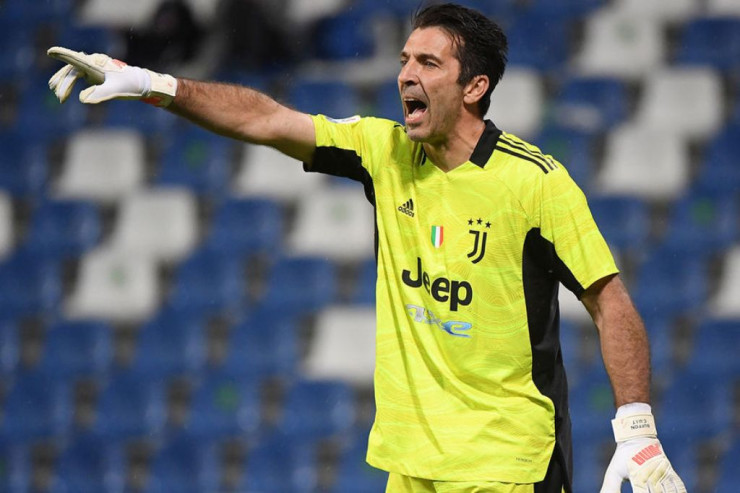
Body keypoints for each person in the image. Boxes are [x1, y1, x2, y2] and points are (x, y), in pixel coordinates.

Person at [46, 3, 687, 492]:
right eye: (405, 60)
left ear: (474, 87)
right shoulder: (384, 152)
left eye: (428, 63)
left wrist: (636, 428)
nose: (405, 74)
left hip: (506, 464)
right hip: (408, 464)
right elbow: (265, 119)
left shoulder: (535, 183)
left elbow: (610, 300)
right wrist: (153, 83)